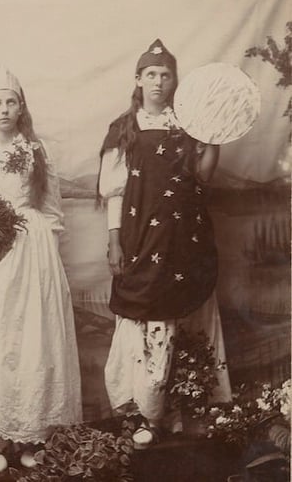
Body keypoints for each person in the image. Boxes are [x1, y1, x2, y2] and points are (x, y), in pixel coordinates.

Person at [0, 67, 82, 474]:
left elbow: (52, 209)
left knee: (31, 339)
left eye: (11, 101)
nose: (4, 109)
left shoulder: (36, 151)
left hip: (32, 252)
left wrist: (45, 259)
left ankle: (30, 436)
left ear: (21, 108)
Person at [98, 39, 231, 449]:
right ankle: (143, 412)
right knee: (145, 316)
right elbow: (113, 190)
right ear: (138, 80)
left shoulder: (188, 124)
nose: (158, 82)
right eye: (150, 74)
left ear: (175, 81)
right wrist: (115, 240)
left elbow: (204, 176)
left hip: (183, 239)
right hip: (140, 238)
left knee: (182, 314)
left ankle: (179, 410)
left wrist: (215, 138)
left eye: (165, 75)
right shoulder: (124, 128)